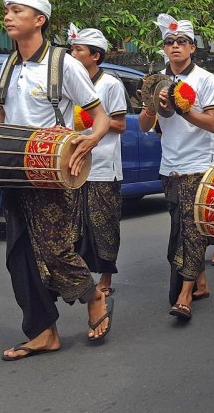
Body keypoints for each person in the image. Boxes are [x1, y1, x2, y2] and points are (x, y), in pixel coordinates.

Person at [0, 0, 113, 360]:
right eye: (8, 11)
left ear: (39, 20)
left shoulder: (64, 64)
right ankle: (44, 332)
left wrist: (88, 141)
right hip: (12, 170)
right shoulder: (7, 65)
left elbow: (101, 118)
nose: (9, 17)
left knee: (55, 250)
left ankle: (93, 293)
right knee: (19, 255)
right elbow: (1, 116)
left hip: (51, 170)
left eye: (17, 11)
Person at [137, 13, 214, 321]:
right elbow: (145, 125)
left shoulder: (205, 79)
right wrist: (153, 104)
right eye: (169, 42)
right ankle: (200, 281)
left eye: (181, 42)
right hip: (168, 165)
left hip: (198, 165)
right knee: (181, 226)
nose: (175, 46)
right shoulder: (156, 79)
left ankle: (185, 294)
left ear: (192, 48)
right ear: (164, 48)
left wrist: (181, 109)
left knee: (190, 230)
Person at [68, 24, 128, 297]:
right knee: (74, 224)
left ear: (95, 56)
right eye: (72, 48)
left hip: (103, 165)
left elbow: (121, 124)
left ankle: (105, 277)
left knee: (104, 224)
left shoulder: (110, 84)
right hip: (72, 163)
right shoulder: (69, 81)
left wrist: (93, 121)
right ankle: (78, 277)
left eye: (78, 49)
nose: (72, 53)